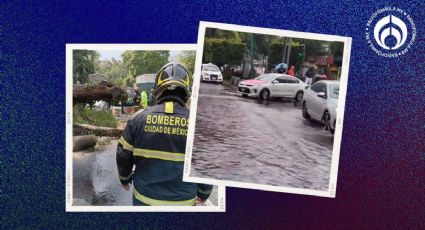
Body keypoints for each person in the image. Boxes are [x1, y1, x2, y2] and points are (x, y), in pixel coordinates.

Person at [116, 62, 213, 206]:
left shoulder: (137, 119)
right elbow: (207, 163)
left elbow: (123, 154)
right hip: (184, 203)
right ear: (187, 91)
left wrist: (124, 179)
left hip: (144, 200)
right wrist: (204, 193)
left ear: (157, 90)